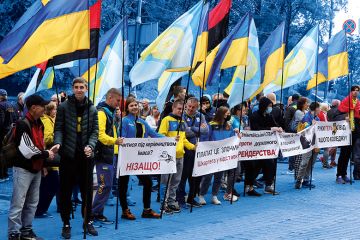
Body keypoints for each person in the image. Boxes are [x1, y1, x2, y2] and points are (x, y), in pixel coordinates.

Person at [52, 77, 99, 238]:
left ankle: (88, 221)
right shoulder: (64, 107)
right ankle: (66, 223)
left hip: (86, 156)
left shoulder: (92, 109)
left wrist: (91, 146)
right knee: (65, 192)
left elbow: (95, 132)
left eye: (82, 87)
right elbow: (58, 129)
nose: (79, 90)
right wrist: (58, 143)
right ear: (72, 88)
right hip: (67, 156)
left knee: (87, 192)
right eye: (76, 87)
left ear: (86, 89)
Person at [8, 94, 55, 240]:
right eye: (42, 106)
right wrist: (46, 154)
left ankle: (26, 230)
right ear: (34, 108)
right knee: (18, 202)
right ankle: (14, 233)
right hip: (23, 168)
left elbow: (38, 144)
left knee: (32, 202)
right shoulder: (23, 123)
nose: (45, 108)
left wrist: (43, 162)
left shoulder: (38, 122)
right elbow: (28, 150)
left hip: (36, 167)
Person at [119, 97, 163, 220]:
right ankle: (124, 210)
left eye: (135, 105)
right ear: (127, 108)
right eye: (131, 105)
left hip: (138, 158)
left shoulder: (142, 122)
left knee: (148, 182)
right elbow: (121, 137)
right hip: (126, 157)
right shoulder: (124, 121)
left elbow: (154, 135)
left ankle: (147, 210)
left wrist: (169, 139)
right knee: (123, 184)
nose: (134, 107)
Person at [91, 88, 124, 224]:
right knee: (105, 185)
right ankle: (93, 213)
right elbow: (100, 135)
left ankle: (98, 212)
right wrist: (114, 141)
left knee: (107, 185)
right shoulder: (101, 113)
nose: (118, 103)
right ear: (110, 97)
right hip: (103, 154)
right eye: (117, 100)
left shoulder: (110, 113)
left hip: (110, 153)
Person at [159, 99, 195, 214]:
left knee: (176, 181)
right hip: (168, 156)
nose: (181, 111)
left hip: (180, 156)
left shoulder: (182, 122)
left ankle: (171, 202)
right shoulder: (166, 120)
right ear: (173, 108)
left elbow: (184, 140)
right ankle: (163, 204)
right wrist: (170, 140)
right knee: (166, 181)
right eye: (179, 109)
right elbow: (160, 137)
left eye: (182, 109)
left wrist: (193, 147)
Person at [198, 106, 238, 205]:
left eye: (229, 114)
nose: (228, 115)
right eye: (226, 114)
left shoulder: (229, 126)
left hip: (222, 156)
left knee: (219, 177)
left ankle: (214, 195)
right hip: (211, 155)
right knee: (208, 176)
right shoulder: (211, 125)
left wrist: (237, 134)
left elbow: (232, 139)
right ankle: (201, 195)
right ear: (221, 114)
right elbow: (205, 139)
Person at [177, 97, 208, 207]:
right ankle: (180, 198)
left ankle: (191, 198)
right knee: (184, 174)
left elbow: (206, 130)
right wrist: (198, 129)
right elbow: (185, 132)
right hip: (186, 149)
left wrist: (193, 128)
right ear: (186, 105)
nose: (190, 109)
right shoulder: (182, 116)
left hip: (198, 149)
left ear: (197, 107)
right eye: (189, 106)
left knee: (196, 175)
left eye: (193, 107)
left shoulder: (201, 115)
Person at [249, 97, 283, 195]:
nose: (270, 108)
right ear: (264, 106)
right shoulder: (254, 116)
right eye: (268, 106)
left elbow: (275, 125)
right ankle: (249, 186)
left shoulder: (269, 116)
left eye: (271, 106)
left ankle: (269, 185)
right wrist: (271, 128)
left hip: (267, 147)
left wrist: (278, 128)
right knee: (255, 167)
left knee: (270, 165)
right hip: (256, 146)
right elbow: (256, 129)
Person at [35, 102, 60, 218]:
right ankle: (39, 209)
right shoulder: (46, 120)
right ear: (49, 110)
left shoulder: (50, 119)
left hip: (51, 158)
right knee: (52, 184)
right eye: (54, 109)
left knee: (48, 184)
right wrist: (58, 135)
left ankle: (40, 209)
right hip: (48, 158)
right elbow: (46, 139)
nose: (56, 111)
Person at [335, 86, 360, 184]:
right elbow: (335, 116)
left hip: (354, 131)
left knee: (348, 154)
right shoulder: (345, 101)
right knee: (343, 154)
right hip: (345, 131)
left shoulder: (358, 103)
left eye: (357, 91)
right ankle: (339, 175)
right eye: (354, 90)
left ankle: (344, 174)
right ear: (351, 91)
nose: (356, 92)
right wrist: (344, 117)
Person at [295, 102, 320, 189]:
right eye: (319, 108)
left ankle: (306, 179)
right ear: (315, 108)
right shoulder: (306, 117)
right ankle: (299, 179)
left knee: (311, 163)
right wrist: (311, 125)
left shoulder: (317, 118)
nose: (320, 110)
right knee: (304, 162)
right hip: (306, 143)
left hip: (315, 143)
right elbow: (304, 130)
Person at [0, 89, 18, 182]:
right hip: (10, 133)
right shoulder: (12, 105)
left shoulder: (1, 105)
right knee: (5, 154)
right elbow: (16, 119)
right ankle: (5, 174)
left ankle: (2, 175)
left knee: (1, 154)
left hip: (2, 133)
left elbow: (1, 121)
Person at [292, 97, 309, 180]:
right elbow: (305, 121)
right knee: (299, 157)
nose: (308, 104)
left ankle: (301, 176)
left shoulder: (305, 112)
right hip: (299, 136)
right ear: (302, 104)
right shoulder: (298, 112)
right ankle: (297, 176)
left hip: (304, 136)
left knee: (303, 157)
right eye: (306, 103)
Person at [318, 103, 331, 169]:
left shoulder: (320, 113)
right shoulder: (323, 114)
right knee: (326, 149)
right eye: (328, 107)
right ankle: (325, 164)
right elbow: (325, 124)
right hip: (323, 133)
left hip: (319, 133)